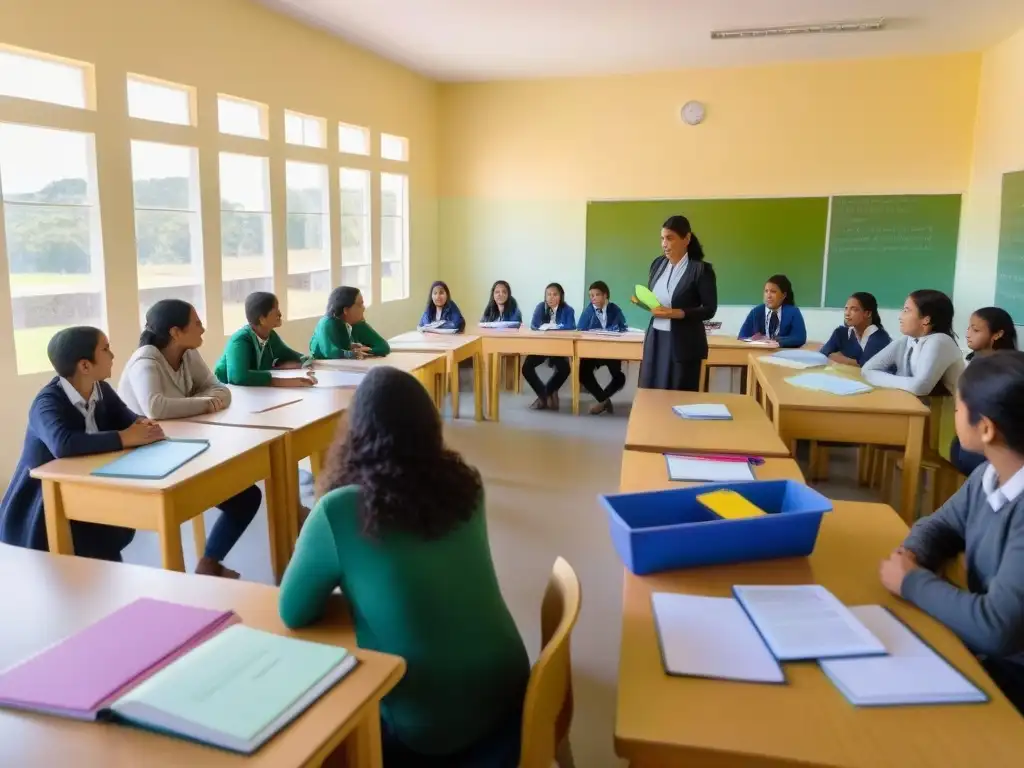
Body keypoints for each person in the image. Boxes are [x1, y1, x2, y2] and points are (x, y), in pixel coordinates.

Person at [279, 367, 528, 765]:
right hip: (515, 703)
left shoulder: (340, 510)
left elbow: (293, 611)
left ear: (355, 432)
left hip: (427, 732)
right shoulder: (468, 484)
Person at [880, 350, 1024, 715]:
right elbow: (940, 525)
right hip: (991, 651)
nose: (954, 415)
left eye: (958, 409)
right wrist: (912, 556)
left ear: (987, 428)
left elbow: (996, 628)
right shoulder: (988, 476)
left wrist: (911, 582)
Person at [118, 299, 262, 578]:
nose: (203, 328)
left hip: (184, 446)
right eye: (197, 323)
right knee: (237, 497)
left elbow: (221, 390)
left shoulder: (188, 354)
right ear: (175, 332)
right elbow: (156, 407)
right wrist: (205, 403)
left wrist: (194, 401)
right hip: (147, 459)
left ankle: (209, 563)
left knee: (247, 497)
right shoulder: (145, 360)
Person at [0, 327, 164, 560]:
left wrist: (143, 426)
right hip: (42, 507)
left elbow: (130, 421)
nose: (113, 356)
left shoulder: (102, 390)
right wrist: (125, 437)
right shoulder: (46, 402)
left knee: (103, 568)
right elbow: (63, 444)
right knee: (67, 579)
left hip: (91, 494)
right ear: (85, 365)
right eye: (105, 349)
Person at [637, 215, 718, 391]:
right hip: (656, 338)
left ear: (686, 239)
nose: (664, 244)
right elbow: (656, 299)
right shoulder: (658, 264)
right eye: (662, 238)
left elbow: (709, 309)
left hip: (683, 343)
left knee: (678, 395)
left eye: (670, 238)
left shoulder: (701, 270)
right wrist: (644, 302)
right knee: (651, 392)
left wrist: (677, 313)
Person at [950, 307, 1018, 477]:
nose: (968, 333)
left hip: (992, 442)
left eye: (976, 330)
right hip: (967, 437)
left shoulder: (1008, 369)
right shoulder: (973, 362)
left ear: (997, 334)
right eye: (968, 328)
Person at [862, 289, 964, 396]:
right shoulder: (907, 339)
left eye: (906, 310)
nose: (900, 317)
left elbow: (920, 387)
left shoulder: (940, 341)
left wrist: (882, 378)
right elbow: (867, 370)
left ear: (926, 320)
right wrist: (908, 382)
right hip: (920, 406)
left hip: (952, 410)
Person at [215, 292, 315, 387]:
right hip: (226, 394)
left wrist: (306, 362)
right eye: (275, 310)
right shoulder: (240, 340)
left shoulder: (271, 337)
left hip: (255, 393)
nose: (280, 314)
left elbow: (293, 356)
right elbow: (237, 377)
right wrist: (284, 382)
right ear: (262, 319)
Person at [577, 280, 628, 414]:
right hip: (593, 349)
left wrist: (613, 329)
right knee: (583, 374)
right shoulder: (588, 311)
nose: (593, 298)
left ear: (605, 295)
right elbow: (580, 329)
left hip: (612, 348)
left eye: (597, 295)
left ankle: (602, 400)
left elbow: (622, 326)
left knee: (619, 377)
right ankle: (603, 400)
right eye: (591, 295)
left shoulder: (614, 309)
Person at [523, 283, 576, 410]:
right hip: (542, 346)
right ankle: (545, 395)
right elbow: (534, 325)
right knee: (526, 368)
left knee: (565, 369)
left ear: (561, 296)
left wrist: (553, 327)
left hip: (558, 347)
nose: (551, 297)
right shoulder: (541, 307)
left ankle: (546, 394)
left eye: (555, 294)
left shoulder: (568, 309)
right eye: (548, 294)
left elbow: (571, 326)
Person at [309, 286, 391, 360]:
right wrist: (352, 354)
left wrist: (368, 351)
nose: (363, 308)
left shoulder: (357, 324)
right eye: (360, 304)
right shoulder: (326, 324)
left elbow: (383, 346)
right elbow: (329, 352)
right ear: (346, 310)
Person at [819, 292, 891, 366]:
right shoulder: (840, 333)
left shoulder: (880, 338)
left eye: (854, 309)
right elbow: (823, 355)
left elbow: (866, 366)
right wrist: (852, 362)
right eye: (846, 308)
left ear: (868, 314)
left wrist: (841, 359)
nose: (847, 313)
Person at [738, 274, 807, 348]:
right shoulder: (755, 312)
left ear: (783, 295)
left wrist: (777, 341)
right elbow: (742, 336)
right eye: (766, 291)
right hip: (758, 352)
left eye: (773, 292)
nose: (768, 296)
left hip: (782, 354)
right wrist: (754, 339)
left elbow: (800, 337)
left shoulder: (793, 312)